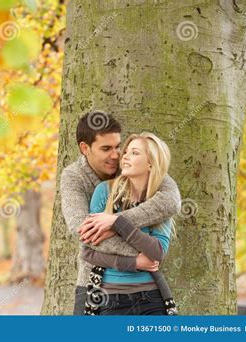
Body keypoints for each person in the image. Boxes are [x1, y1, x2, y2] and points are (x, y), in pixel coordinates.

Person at [59, 110, 181, 315]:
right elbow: (83, 232)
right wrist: (137, 258)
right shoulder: (74, 177)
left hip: (145, 290)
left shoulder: (131, 165)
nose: (116, 155)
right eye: (106, 148)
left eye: (118, 147)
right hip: (94, 281)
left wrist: (115, 222)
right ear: (85, 148)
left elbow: (171, 201)